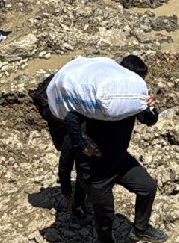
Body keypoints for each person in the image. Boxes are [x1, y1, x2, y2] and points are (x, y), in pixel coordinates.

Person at [64, 55, 168, 243]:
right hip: (96, 169)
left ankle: (140, 229)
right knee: (105, 215)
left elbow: (149, 120)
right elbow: (71, 118)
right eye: (139, 80)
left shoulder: (131, 97)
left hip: (120, 160)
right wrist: (82, 146)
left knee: (147, 187)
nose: (141, 84)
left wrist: (151, 108)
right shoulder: (102, 95)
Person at [31, 75, 87, 218]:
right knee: (74, 162)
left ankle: (76, 200)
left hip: (71, 127)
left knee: (79, 164)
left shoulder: (57, 93)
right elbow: (65, 164)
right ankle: (73, 199)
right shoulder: (52, 96)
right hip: (69, 129)